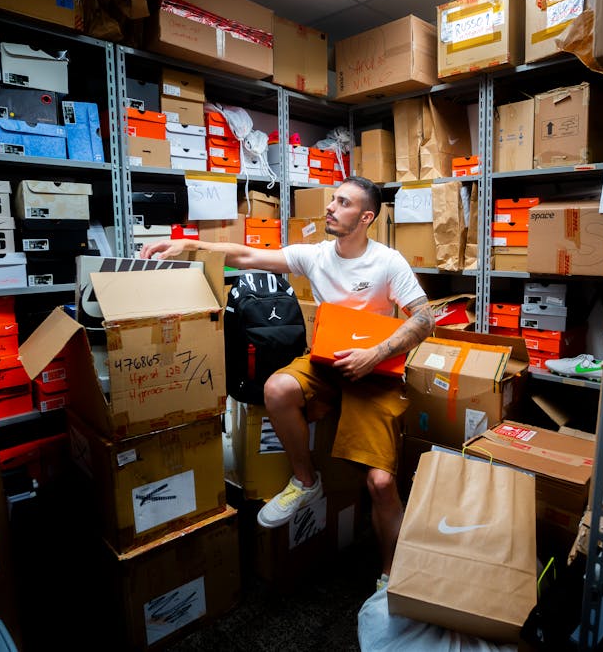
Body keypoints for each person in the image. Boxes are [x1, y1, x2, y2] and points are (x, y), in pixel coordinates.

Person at [139, 175, 434, 587]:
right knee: (277, 388)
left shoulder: (388, 262)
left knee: (381, 483)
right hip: (326, 364)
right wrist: (189, 246)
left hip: (373, 373)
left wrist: (376, 354)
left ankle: (390, 577)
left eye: (343, 203)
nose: (330, 207)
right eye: (332, 200)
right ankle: (306, 480)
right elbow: (244, 256)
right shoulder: (315, 255)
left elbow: (424, 318)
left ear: (366, 217)